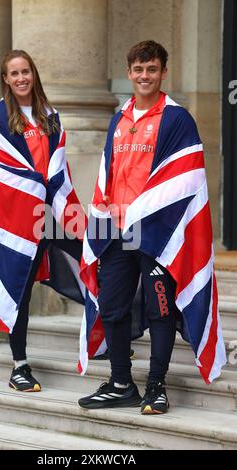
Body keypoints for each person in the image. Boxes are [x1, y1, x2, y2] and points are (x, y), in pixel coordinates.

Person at [78, 40, 226, 414]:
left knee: (161, 310)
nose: (145, 76)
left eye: (152, 69)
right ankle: (121, 383)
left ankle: (156, 386)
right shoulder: (119, 117)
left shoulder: (177, 119)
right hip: (116, 231)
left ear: (163, 72)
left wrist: (148, 212)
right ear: (129, 73)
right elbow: (108, 173)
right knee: (111, 307)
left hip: (159, 233)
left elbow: (187, 179)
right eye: (139, 69)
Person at [0, 50, 85, 393]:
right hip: (22, 222)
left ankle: (109, 341)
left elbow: (58, 167)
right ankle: (20, 366)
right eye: (14, 73)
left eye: (25, 71)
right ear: (6, 79)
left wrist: (52, 193)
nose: (21, 78)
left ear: (33, 74)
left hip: (55, 214)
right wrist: (32, 186)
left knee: (95, 261)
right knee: (19, 288)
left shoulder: (51, 116)